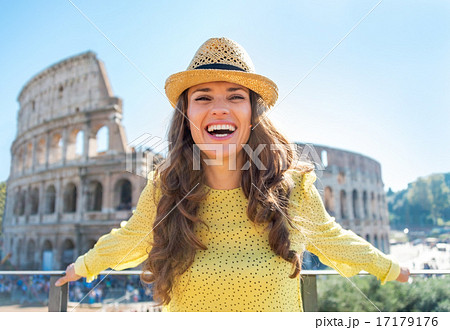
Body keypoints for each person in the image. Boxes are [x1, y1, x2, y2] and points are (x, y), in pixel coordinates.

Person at [55, 37, 410, 311]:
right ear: (187, 115)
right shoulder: (165, 187)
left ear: (253, 113)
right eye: (204, 98)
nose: (220, 109)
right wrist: (83, 266)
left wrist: (391, 268)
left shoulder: (292, 188)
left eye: (235, 96)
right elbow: (131, 237)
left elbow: (332, 238)